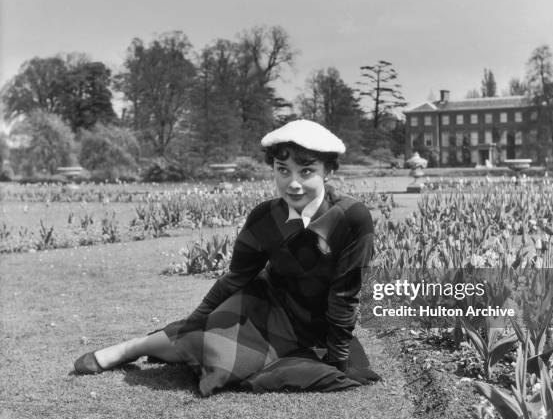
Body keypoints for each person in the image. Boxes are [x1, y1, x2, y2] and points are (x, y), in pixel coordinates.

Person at [74, 120, 380, 396]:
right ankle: (129, 349)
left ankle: (182, 340)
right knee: (209, 347)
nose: (293, 183)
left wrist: (338, 356)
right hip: (267, 306)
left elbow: (345, 292)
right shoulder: (264, 216)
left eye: (307, 171)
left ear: (328, 170)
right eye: (282, 170)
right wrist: (195, 321)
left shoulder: (352, 218)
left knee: (328, 372)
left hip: (320, 321)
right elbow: (237, 276)